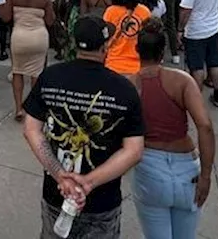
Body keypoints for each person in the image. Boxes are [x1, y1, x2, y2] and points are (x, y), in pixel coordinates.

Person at [23, 15, 146, 237]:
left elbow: (31, 129)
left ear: (73, 42)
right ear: (106, 46)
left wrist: (59, 174)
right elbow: (134, 150)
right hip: (102, 201)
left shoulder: (50, 77)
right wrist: (89, 182)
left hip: (56, 194)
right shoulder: (123, 89)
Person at [131, 18, 216, 238]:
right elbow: (204, 126)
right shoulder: (182, 81)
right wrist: (206, 175)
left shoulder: (130, 85)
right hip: (186, 167)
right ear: (163, 50)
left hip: (149, 167)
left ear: (137, 49)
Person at [1, 0, 56, 121]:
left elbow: (5, 18)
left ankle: (19, 108)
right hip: (39, 37)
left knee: (18, 71)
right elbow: (50, 21)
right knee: (37, 74)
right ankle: (34, 109)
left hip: (19, 36)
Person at [177, 0, 218, 108]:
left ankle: (196, 99)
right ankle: (217, 95)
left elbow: (185, 12)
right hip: (213, 29)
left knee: (197, 67)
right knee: (214, 63)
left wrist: (180, 29)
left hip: (196, 32)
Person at [103, 0, 153, 78]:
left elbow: (106, 38)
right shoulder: (144, 11)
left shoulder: (111, 12)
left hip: (114, 65)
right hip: (139, 66)